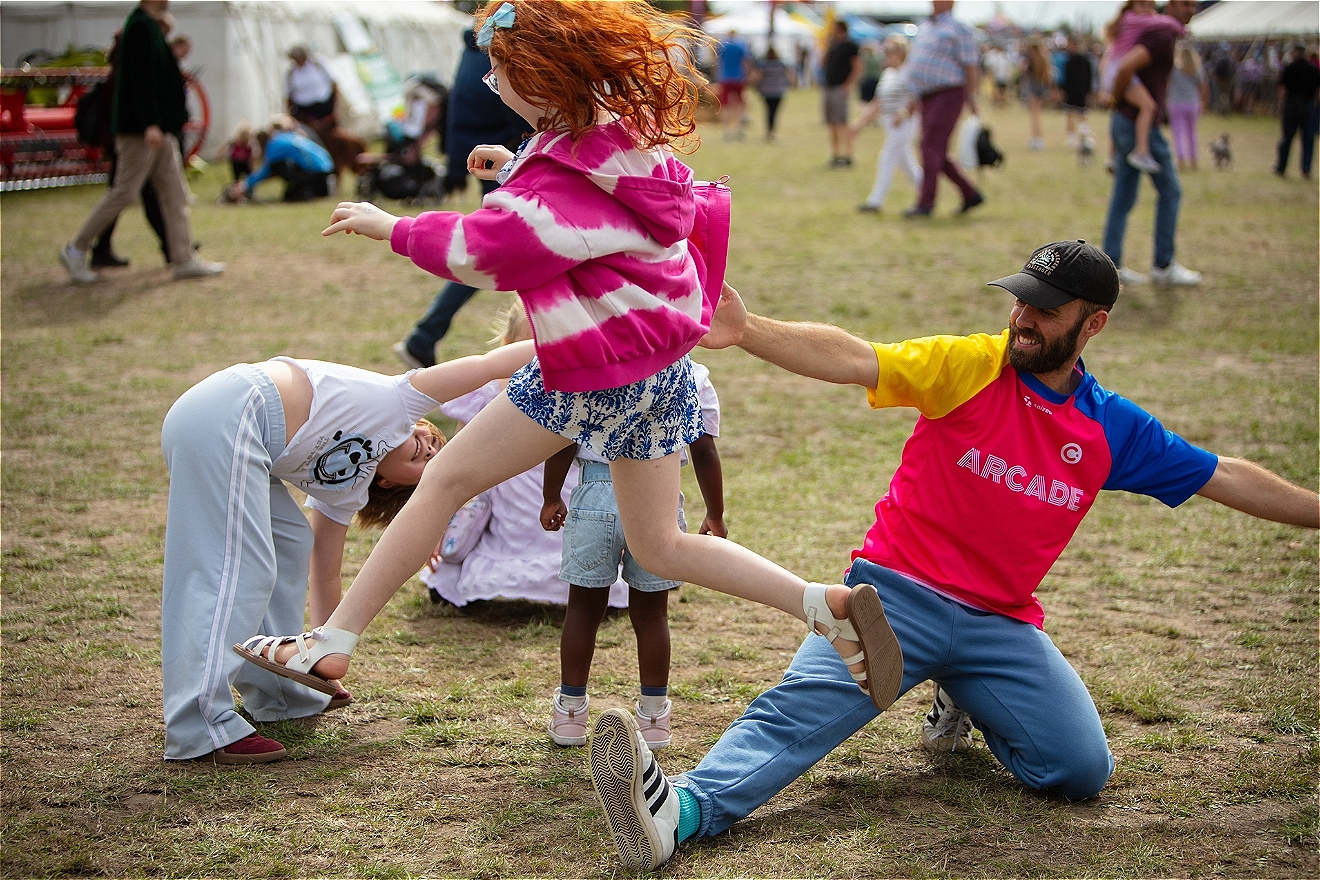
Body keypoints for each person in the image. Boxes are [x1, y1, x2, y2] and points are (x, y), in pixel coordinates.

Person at [236, 0, 902, 722]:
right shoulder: (622, 135)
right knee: (662, 544)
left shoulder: (559, 173)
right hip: (659, 371)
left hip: (596, 367)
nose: (492, 82)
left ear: (541, 76)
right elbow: (580, 197)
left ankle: (330, 641)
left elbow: (484, 250)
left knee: (446, 479)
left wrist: (391, 227)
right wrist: (519, 167)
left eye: (499, 71)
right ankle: (824, 605)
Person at [587, 240, 1320, 872]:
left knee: (1079, 771)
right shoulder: (973, 365)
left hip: (1001, 624)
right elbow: (858, 360)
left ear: (1093, 325)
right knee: (794, 717)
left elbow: (1220, 473)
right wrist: (747, 331)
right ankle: (678, 811)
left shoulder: (1110, 429)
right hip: (893, 600)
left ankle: (962, 690)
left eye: (1048, 310)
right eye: (1023, 301)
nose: (1024, 320)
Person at [162, 339, 537, 764]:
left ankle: (284, 692)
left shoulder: (343, 491)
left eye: (431, 460)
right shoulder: (400, 400)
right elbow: (488, 364)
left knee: (291, 543)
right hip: (229, 410)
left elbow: (325, 574)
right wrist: (567, 341)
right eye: (432, 438)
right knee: (237, 569)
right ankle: (200, 725)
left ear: (391, 485)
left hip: (238, 430)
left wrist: (323, 653)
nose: (430, 447)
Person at [539, 359, 724, 750]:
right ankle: (654, 718)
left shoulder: (596, 366)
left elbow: (564, 439)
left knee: (584, 610)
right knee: (652, 614)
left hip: (594, 494)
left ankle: (571, 713)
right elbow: (704, 450)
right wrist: (715, 513)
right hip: (658, 495)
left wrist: (551, 496)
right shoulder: (693, 376)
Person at [420, 304, 628, 609]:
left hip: (566, 510)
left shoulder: (583, 399)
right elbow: (452, 471)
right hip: (502, 514)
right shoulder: (485, 395)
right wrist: (438, 526)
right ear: (507, 348)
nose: (542, 363)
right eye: (532, 350)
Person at [392, 27, 528, 371]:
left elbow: (458, 115)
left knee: (493, 251)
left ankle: (425, 336)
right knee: (492, 250)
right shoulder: (499, 52)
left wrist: (455, 166)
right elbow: (522, 111)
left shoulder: (473, 52)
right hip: (507, 162)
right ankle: (425, 335)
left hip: (494, 159)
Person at [59, 0, 222, 284]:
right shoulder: (138, 27)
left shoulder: (149, 27)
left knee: (174, 193)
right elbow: (138, 80)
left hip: (160, 131)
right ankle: (75, 249)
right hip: (142, 132)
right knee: (123, 192)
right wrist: (149, 123)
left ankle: (183, 258)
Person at [1101, 0, 1200, 287]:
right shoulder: (1162, 35)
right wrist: (1118, 96)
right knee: (1171, 191)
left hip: (1125, 120)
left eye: (1194, 4)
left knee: (1123, 196)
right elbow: (1126, 67)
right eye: (1186, 4)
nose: (1191, 9)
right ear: (1169, 5)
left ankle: (1112, 265)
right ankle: (1163, 264)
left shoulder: (1151, 29)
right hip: (1137, 123)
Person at [902, 1, 983, 217]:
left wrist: (972, 97)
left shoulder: (958, 28)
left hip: (948, 92)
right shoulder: (926, 26)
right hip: (927, 95)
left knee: (930, 148)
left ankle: (926, 202)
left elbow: (971, 66)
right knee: (933, 148)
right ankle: (970, 192)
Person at [1099, 1, 1185, 174]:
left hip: (1112, 69)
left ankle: (1113, 156)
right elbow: (1158, 22)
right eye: (1142, 4)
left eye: (1150, 5)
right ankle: (1141, 151)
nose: (1147, 10)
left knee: (1119, 112)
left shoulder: (1128, 21)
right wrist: (1177, 26)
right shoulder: (1133, 19)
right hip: (1117, 70)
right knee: (1148, 106)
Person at [853, 35, 922, 213]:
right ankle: (927, 192)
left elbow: (917, 97)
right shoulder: (888, 74)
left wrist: (904, 112)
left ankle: (875, 201)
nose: (888, 55)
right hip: (890, 123)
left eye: (892, 51)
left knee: (887, 158)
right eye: (886, 51)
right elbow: (878, 102)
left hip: (904, 123)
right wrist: (859, 123)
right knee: (907, 164)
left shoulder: (909, 72)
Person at [226, 117, 334, 203]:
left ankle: (303, 190)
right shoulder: (285, 137)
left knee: (279, 166)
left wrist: (245, 185)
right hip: (327, 168)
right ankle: (301, 190)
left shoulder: (273, 146)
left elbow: (267, 170)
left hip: (317, 174)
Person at [1274, 44, 1320, 179]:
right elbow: (1318, 90)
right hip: (1308, 105)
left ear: (1296, 52)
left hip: (1292, 105)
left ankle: (1281, 167)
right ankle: (1306, 168)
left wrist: (1283, 104)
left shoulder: (1290, 68)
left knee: (1287, 138)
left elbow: (1283, 89)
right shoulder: (1313, 69)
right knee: (1308, 138)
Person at [822, 19, 861, 167]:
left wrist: (847, 85)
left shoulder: (850, 47)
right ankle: (836, 154)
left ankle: (848, 154)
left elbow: (858, 67)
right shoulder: (833, 46)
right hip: (830, 86)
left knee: (842, 122)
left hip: (840, 87)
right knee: (832, 122)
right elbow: (824, 63)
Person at [1167, 42, 1207, 172]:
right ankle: (1193, 159)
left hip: (1176, 103)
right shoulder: (1196, 69)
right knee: (1192, 133)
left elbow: (1167, 84)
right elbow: (1202, 86)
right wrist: (1202, 101)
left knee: (1178, 132)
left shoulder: (1174, 69)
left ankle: (1181, 159)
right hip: (1192, 102)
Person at [285, 45, 337, 136]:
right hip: (305, 110)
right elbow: (288, 94)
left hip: (324, 105)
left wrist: (335, 108)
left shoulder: (318, 64)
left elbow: (333, 83)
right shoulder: (291, 72)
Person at [716, 31, 750, 141]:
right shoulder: (741, 46)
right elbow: (745, 61)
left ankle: (726, 130)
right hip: (738, 77)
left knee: (725, 105)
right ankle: (739, 128)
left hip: (725, 77)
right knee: (740, 104)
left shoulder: (723, 46)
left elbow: (717, 60)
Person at [753, 46, 793, 142]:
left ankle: (769, 130)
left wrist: (755, 85)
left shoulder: (764, 64)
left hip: (766, 91)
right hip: (778, 91)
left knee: (768, 111)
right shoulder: (781, 64)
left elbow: (758, 76)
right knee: (774, 111)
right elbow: (789, 75)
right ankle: (772, 130)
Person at [1061, 35, 1094, 146]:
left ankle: (1084, 137)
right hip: (1074, 91)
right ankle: (1073, 137)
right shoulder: (1071, 59)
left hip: (1078, 91)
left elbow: (1089, 77)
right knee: (1071, 114)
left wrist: (1088, 91)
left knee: (1080, 114)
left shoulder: (1079, 60)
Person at [1022, 37, 1054, 151]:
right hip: (1041, 88)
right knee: (1037, 115)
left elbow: (1026, 73)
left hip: (1033, 88)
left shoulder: (1031, 59)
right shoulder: (1044, 59)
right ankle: (1038, 139)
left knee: (1034, 116)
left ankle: (1036, 138)